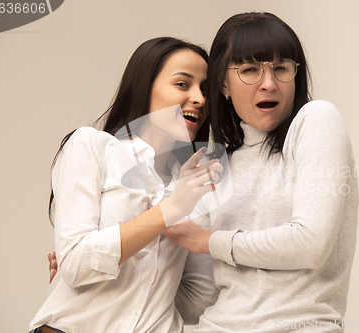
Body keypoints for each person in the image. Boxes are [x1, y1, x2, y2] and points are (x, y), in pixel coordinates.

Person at [164, 12, 359, 332]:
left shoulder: (316, 120)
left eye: (281, 68)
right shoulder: (214, 166)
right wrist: (100, 281)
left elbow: (310, 244)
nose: (268, 83)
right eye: (250, 70)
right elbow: (199, 299)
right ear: (224, 85)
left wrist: (210, 242)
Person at [29, 37, 223, 333]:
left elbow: (197, 299)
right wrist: (170, 210)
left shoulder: (193, 185)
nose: (199, 98)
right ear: (145, 86)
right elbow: (77, 264)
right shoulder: (92, 145)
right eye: (183, 84)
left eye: (205, 89)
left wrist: (122, 290)